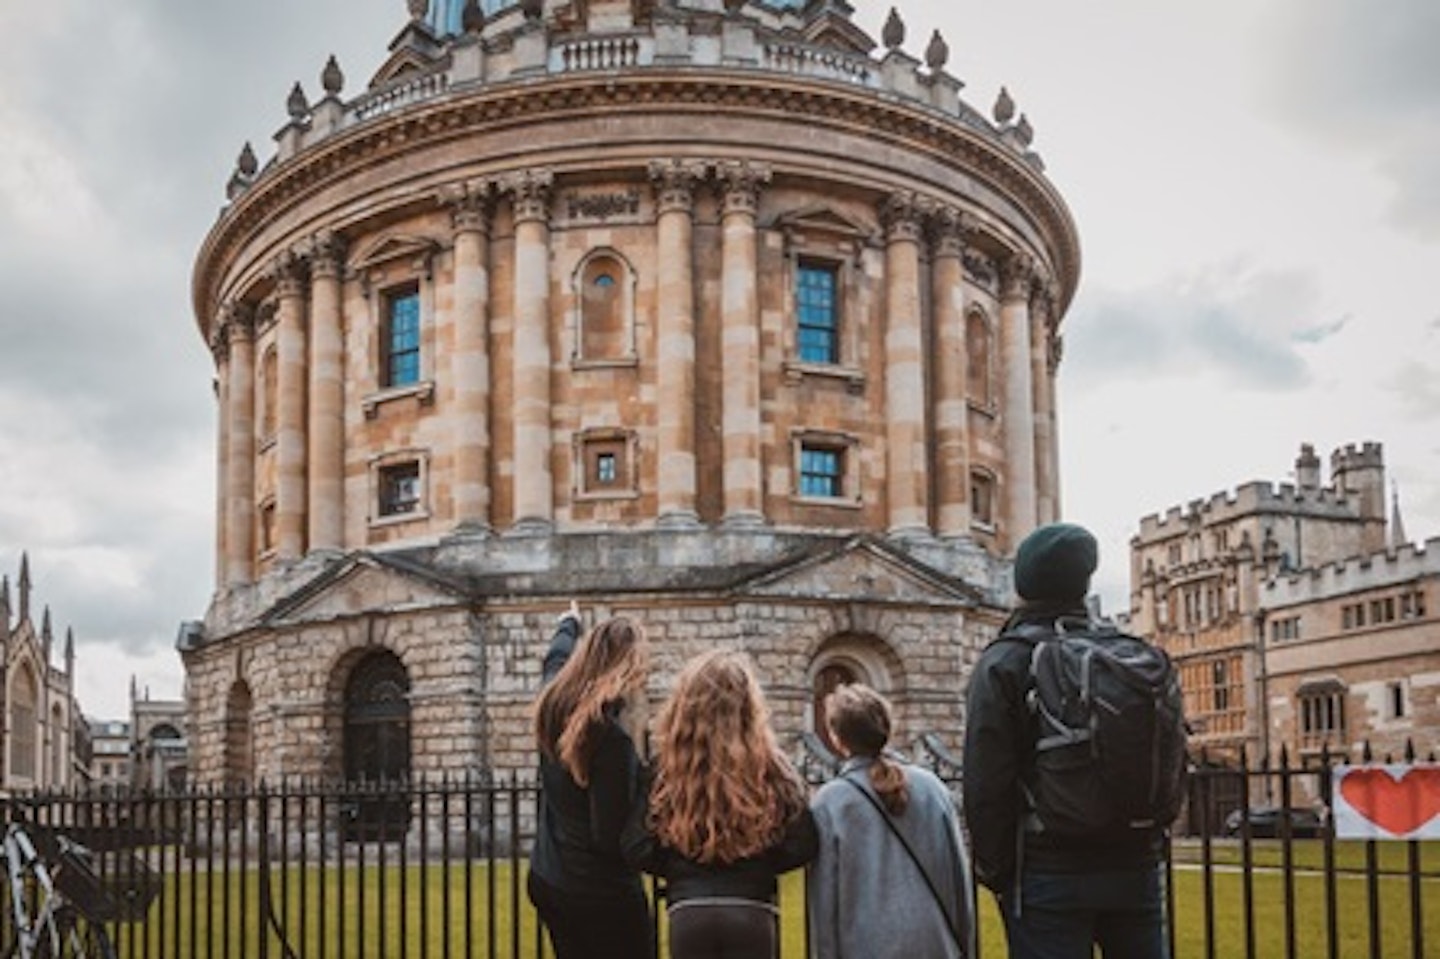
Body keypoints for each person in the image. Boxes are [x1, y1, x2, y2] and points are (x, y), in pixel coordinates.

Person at [963, 523, 1169, 959]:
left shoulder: (1006, 659)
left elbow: (987, 783)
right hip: (1136, 863)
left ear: (1024, 582)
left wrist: (998, 872)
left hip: (1049, 867)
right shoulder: (1131, 655)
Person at [623, 649, 817, 959]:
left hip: (688, 910)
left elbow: (636, 845)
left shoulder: (666, 769)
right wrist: (760, 859)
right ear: (748, 707)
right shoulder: (771, 766)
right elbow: (803, 843)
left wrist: (679, 866)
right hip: (753, 907)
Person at [807, 683, 975, 959]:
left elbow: (825, 902)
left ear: (836, 737)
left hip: (864, 946)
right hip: (935, 943)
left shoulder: (831, 802)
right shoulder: (932, 788)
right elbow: (958, 879)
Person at [528, 602, 656, 959]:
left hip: (549, 877)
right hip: (599, 891)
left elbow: (555, 655)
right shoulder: (610, 741)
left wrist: (568, 623)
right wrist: (648, 784)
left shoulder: (550, 700)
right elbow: (609, 838)